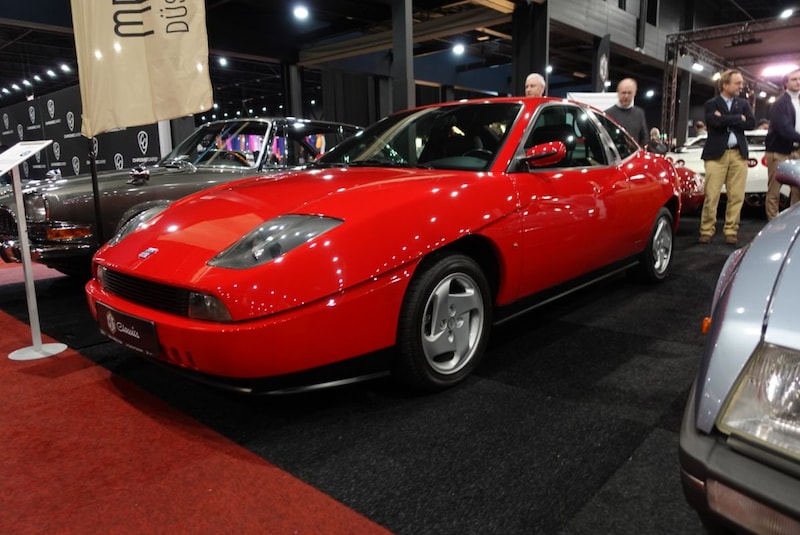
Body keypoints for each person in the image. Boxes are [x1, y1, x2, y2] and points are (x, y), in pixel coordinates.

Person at [697, 69, 755, 245]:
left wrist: (725, 118)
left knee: (736, 196)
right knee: (711, 195)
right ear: (725, 85)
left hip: (738, 154)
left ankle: (731, 230)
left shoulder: (743, 103)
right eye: (737, 83)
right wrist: (738, 118)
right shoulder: (711, 104)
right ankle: (706, 230)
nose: (741, 86)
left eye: (741, 83)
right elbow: (713, 122)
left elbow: (751, 123)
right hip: (716, 156)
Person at [764, 68, 800, 220]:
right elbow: (784, 128)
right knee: (774, 191)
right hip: (778, 151)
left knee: (798, 191)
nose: (798, 82)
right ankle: (773, 223)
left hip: (797, 151)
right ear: (785, 83)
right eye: (794, 79)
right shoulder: (779, 104)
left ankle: (794, 223)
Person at [605, 78, 648, 146]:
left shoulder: (639, 113)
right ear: (618, 93)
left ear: (634, 93)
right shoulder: (607, 114)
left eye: (629, 93)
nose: (626, 96)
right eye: (623, 92)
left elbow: (644, 138)